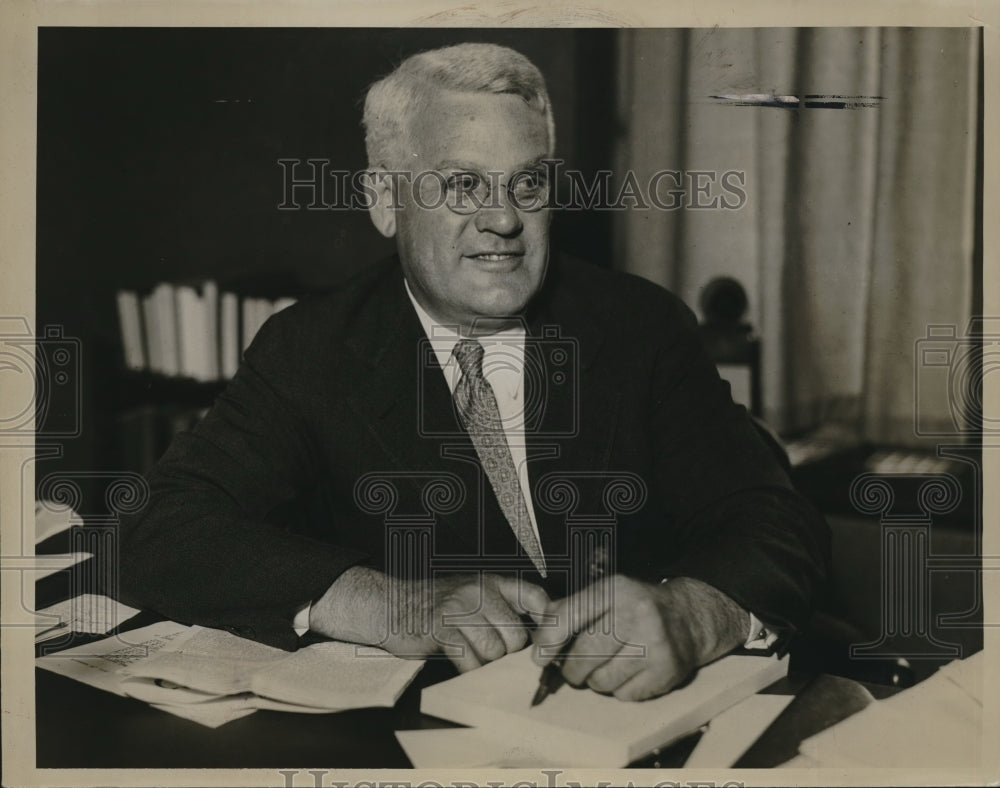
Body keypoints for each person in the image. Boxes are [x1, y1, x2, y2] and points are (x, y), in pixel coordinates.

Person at [118, 42, 829, 702]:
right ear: (384, 201)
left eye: (528, 185)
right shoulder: (312, 349)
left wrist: (695, 614)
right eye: (461, 184)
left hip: (650, 723)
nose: (503, 220)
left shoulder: (640, 326)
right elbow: (161, 526)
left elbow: (772, 515)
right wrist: (389, 602)